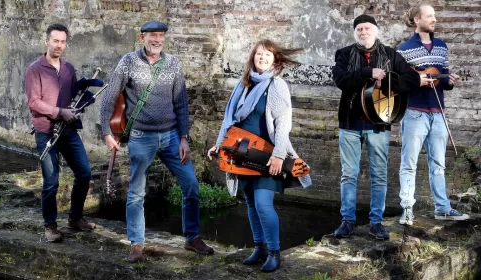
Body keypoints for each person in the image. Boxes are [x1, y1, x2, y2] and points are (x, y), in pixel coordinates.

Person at [100, 20, 214, 263]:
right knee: (136, 193)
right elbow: (109, 98)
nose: (157, 40)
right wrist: (106, 134)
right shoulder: (128, 62)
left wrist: (184, 137)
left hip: (171, 136)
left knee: (191, 184)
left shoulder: (172, 63)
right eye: (153, 35)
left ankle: (192, 237)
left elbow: (181, 103)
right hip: (141, 137)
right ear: (142, 37)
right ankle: (137, 244)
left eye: (161, 36)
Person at [207, 39, 312, 272]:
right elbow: (230, 121)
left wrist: (277, 156)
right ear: (252, 58)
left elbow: (284, 125)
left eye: (267, 55)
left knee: (264, 204)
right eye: (259, 54)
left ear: (275, 59)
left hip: (266, 156)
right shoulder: (242, 85)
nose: (262, 58)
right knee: (251, 204)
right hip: (242, 155)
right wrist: (219, 146)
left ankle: (275, 252)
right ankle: (259, 247)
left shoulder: (277, 85)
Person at [331, 14, 425, 240]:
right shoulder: (344, 54)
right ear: (355, 33)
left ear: (375, 30)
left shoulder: (391, 55)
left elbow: (412, 79)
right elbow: (340, 79)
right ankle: (347, 221)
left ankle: (376, 222)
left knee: (379, 175)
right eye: (359, 29)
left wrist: (390, 81)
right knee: (349, 175)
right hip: (350, 124)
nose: (364, 32)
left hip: (379, 125)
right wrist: (367, 73)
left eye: (367, 28)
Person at [397, 3, 469, 225]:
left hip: (438, 113)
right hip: (414, 113)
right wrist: (418, 80)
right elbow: (399, 83)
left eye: (434, 16)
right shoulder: (404, 49)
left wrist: (450, 81)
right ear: (417, 20)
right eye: (430, 16)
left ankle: (443, 208)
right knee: (409, 164)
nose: (434, 19)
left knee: (438, 164)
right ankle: (407, 209)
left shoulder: (441, 47)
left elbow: (443, 82)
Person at [25, 23, 96, 243]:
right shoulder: (34, 69)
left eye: (63, 41)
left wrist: (83, 99)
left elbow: (73, 94)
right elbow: (34, 103)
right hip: (46, 132)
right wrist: (59, 112)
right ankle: (50, 226)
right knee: (51, 182)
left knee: (84, 173)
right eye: (55, 41)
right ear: (46, 41)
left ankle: (75, 218)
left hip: (68, 131)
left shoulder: (68, 69)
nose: (59, 45)